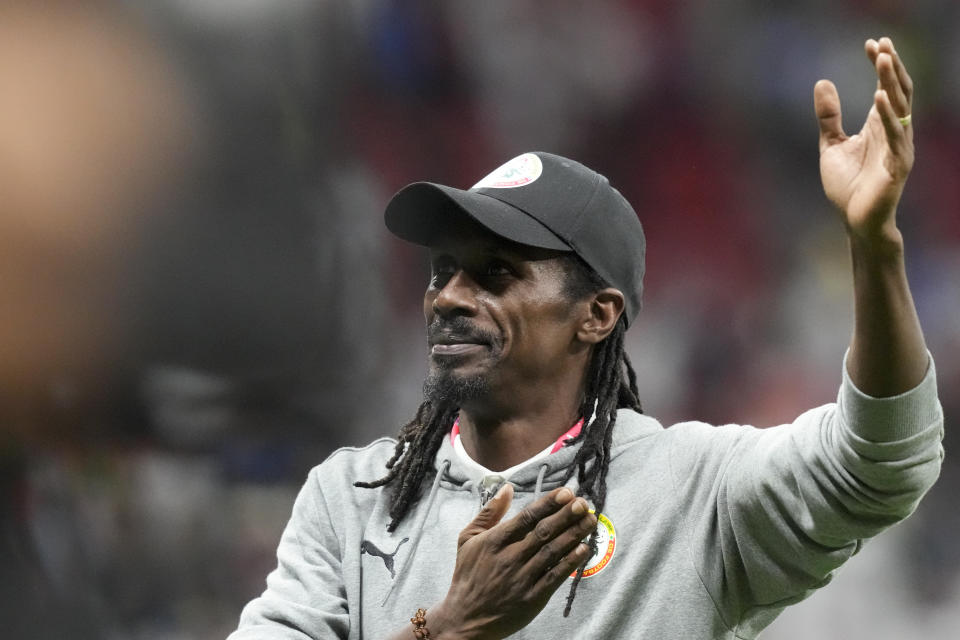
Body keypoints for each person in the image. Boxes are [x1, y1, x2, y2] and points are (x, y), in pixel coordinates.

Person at [228, 37, 943, 639]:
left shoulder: (692, 489)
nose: (448, 297)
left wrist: (874, 245)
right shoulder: (351, 499)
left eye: (494, 274)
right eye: (443, 271)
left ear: (596, 315)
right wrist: (450, 628)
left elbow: (879, 460)